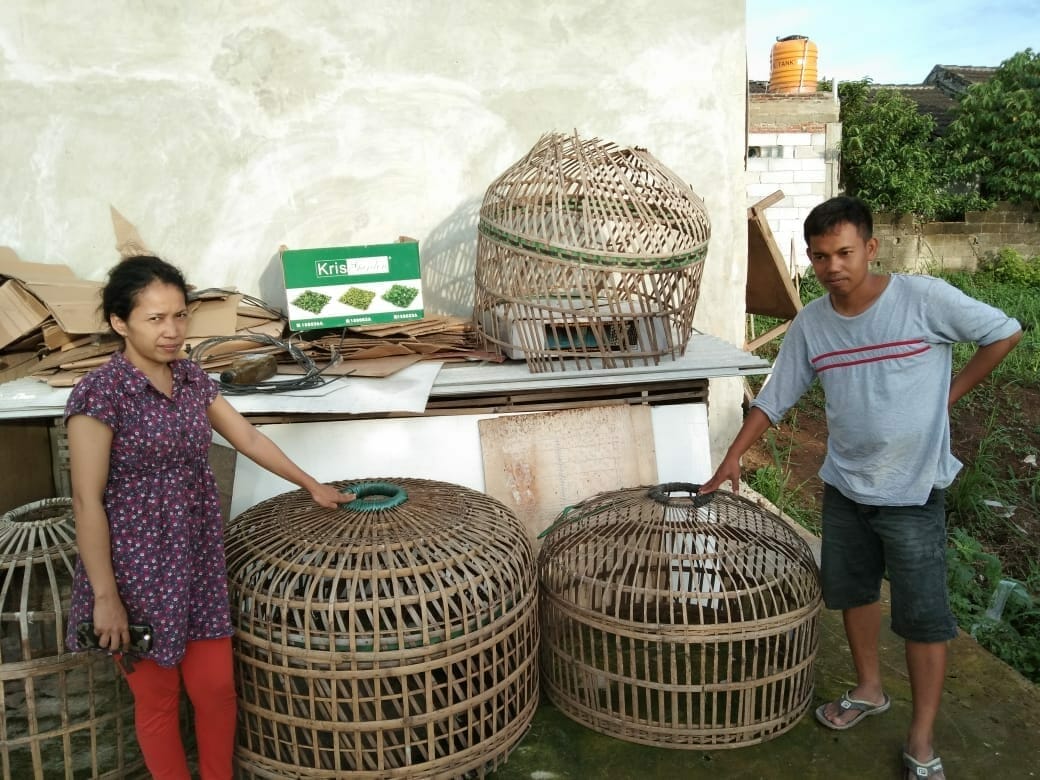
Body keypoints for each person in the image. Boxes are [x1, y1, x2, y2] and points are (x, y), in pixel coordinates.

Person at [700, 196, 1021, 780]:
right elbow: (775, 395)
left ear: (871, 248)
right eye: (820, 256)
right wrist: (730, 459)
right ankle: (871, 689)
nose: (833, 267)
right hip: (845, 487)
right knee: (852, 593)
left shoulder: (922, 300)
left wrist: (949, 398)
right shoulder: (814, 324)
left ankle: (921, 737)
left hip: (913, 491)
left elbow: (1005, 331)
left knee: (925, 618)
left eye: (844, 252)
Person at [65, 255, 354, 780]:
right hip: (134, 569)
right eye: (155, 319)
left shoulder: (192, 378)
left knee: (216, 690)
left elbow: (246, 436)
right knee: (157, 699)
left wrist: (311, 484)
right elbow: (86, 500)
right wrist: (106, 597)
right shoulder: (100, 394)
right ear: (118, 322)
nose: (172, 331)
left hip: (196, 557)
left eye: (179, 316)